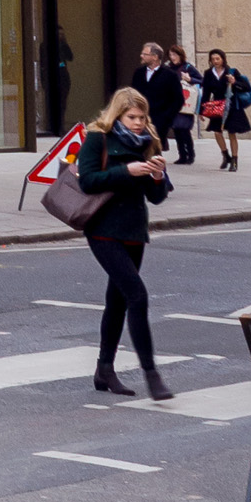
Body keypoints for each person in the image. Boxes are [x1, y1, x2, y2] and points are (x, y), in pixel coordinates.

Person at [77, 83, 174, 401]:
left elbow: (156, 197)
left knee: (117, 301)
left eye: (142, 118)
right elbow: (88, 181)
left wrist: (157, 176)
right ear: (118, 114)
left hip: (134, 231)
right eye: (132, 117)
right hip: (103, 228)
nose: (138, 123)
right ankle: (152, 374)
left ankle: (104, 369)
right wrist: (126, 171)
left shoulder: (150, 143)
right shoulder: (98, 137)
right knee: (137, 295)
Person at [199, 49, 251, 172]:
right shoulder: (208, 73)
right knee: (217, 132)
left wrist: (234, 82)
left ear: (223, 59)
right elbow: (206, 92)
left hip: (231, 106)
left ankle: (234, 160)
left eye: (218, 58)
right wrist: (202, 110)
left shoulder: (231, 71)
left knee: (231, 133)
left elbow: (245, 86)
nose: (215, 61)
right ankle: (225, 155)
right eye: (213, 59)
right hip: (217, 106)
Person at [167, 44, 201, 166]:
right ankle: (182, 155)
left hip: (186, 104)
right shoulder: (168, 68)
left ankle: (190, 155)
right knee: (176, 129)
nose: (172, 57)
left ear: (180, 55)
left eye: (174, 55)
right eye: (170, 55)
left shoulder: (188, 67)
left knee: (184, 130)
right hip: (173, 103)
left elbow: (201, 81)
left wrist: (190, 79)